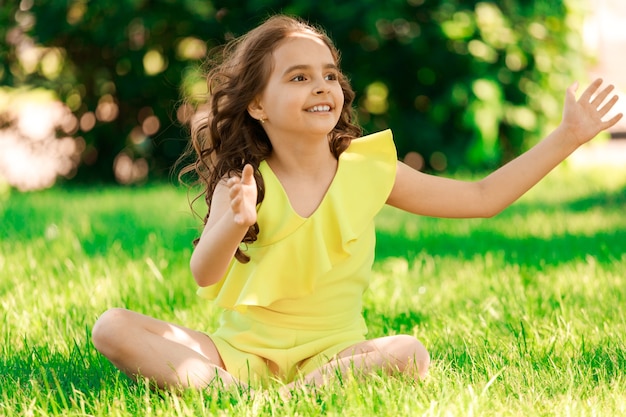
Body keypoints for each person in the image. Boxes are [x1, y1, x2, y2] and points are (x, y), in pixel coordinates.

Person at [91, 14, 622, 393]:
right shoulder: (247, 180)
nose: (321, 86)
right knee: (111, 326)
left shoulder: (369, 169)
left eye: (328, 75)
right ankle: (241, 394)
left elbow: (481, 198)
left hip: (335, 356)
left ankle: (262, 402)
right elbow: (204, 274)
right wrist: (233, 223)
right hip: (240, 356)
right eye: (298, 77)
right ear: (256, 104)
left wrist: (568, 137)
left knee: (408, 353)